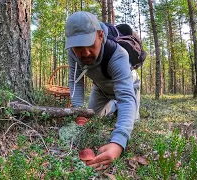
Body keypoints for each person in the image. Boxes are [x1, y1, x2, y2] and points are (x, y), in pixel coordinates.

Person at [65, 11, 141, 170]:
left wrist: (118, 143)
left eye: (90, 45)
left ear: (100, 35)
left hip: (129, 87)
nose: (85, 53)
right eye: (78, 48)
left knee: (131, 123)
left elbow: (126, 98)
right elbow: (75, 80)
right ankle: (113, 106)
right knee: (91, 119)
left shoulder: (118, 54)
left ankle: (119, 107)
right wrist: (79, 111)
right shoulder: (72, 53)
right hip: (101, 88)